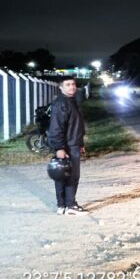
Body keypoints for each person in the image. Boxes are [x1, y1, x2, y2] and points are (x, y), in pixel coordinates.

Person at [48, 76, 88, 215]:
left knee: (62, 175)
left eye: (73, 84)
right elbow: (56, 128)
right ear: (61, 87)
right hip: (68, 146)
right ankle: (70, 205)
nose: (71, 87)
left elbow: (75, 125)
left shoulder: (71, 101)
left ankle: (62, 205)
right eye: (68, 84)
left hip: (73, 143)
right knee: (72, 176)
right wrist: (59, 148)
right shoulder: (62, 104)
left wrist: (80, 143)